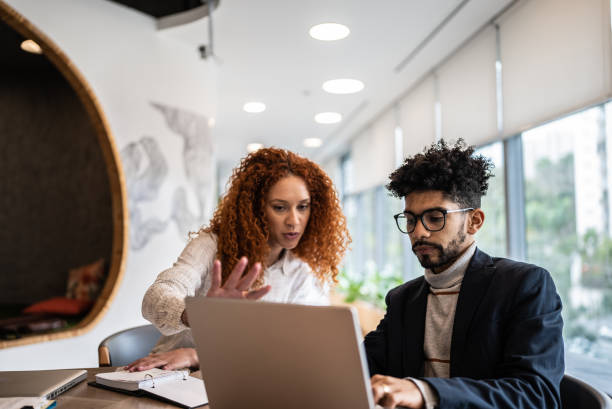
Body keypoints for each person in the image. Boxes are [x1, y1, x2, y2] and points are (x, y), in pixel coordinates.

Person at [365, 139, 564, 409]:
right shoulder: (403, 299)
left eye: (435, 218)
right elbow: (360, 366)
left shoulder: (524, 286)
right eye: (411, 219)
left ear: (474, 221)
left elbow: (535, 395)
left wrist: (424, 392)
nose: (419, 232)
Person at [127, 147, 350, 371]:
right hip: (170, 376)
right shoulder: (211, 246)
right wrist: (200, 314)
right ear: (256, 209)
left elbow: (299, 349)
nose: (294, 220)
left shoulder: (300, 270)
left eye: (303, 207)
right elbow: (155, 299)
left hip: (242, 378)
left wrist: (198, 355)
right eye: (280, 207)